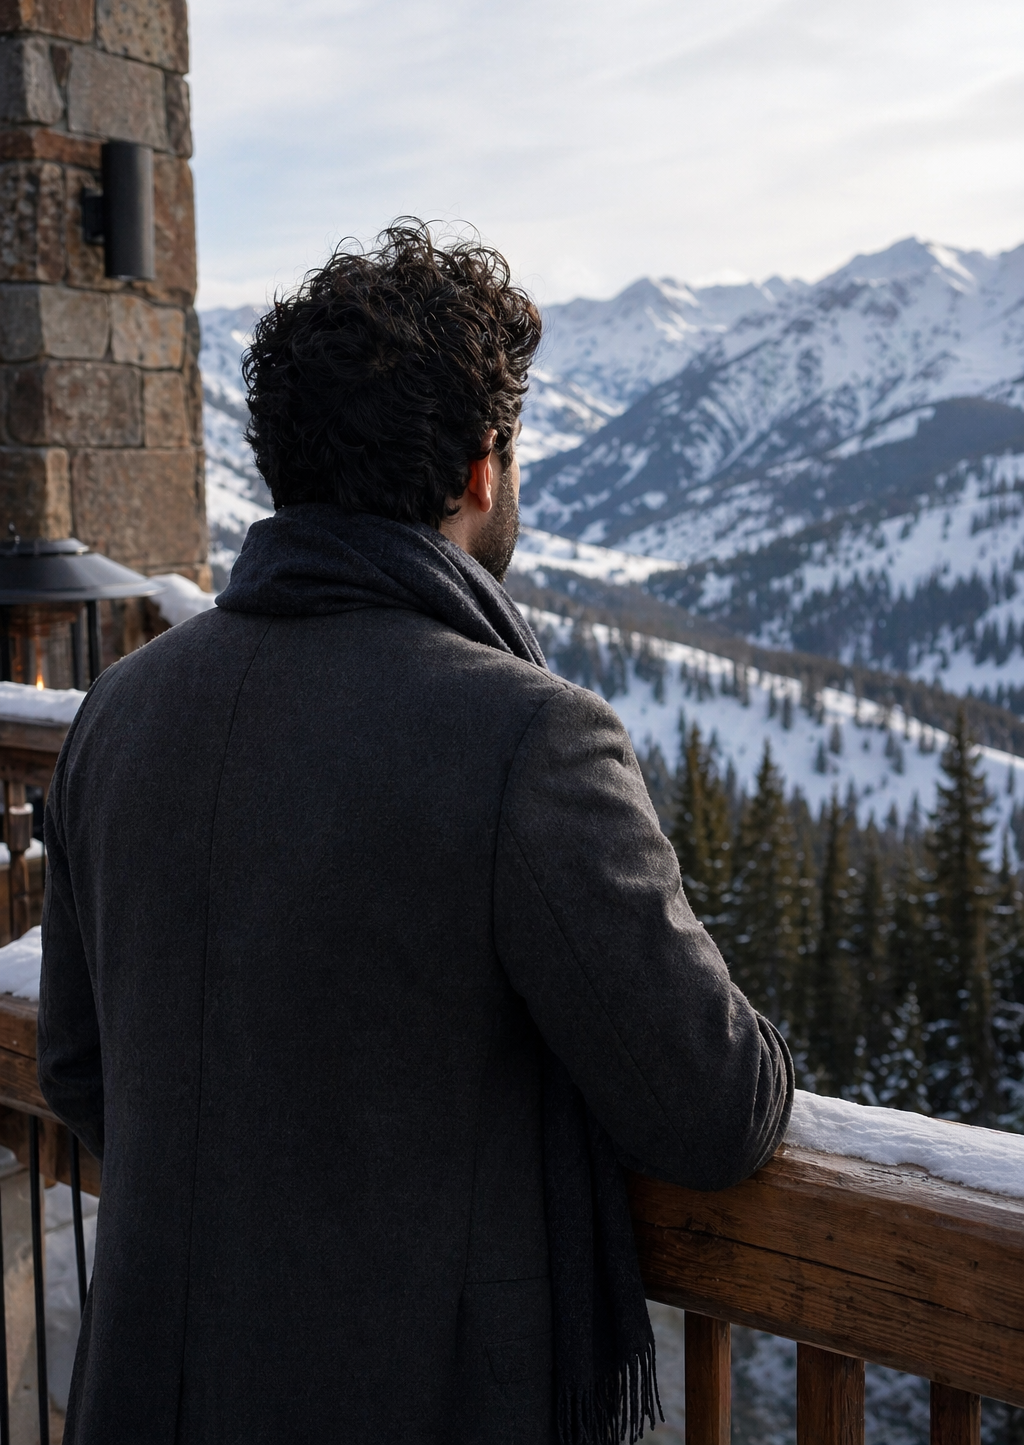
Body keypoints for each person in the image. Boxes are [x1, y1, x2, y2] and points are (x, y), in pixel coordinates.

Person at [39, 221, 792, 1445]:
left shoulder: (124, 706)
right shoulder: (527, 738)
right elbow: (713, 1113)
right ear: (479, 471)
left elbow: (79, 1067)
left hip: (149, 1389)